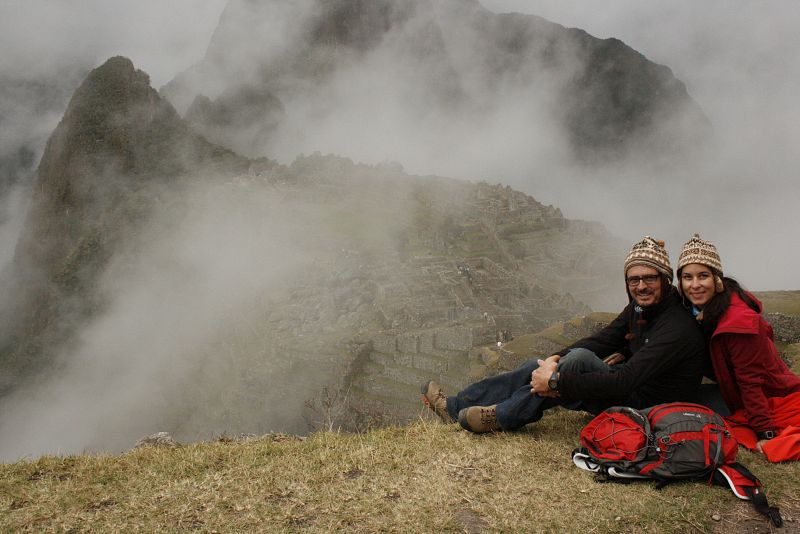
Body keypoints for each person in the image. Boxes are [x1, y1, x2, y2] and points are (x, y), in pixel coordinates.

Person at [421, 236, 706, 433]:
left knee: (576, 361)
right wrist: (553, 360)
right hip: (631, 393)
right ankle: (457, 405)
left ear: (665, 280)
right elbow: (604, 339)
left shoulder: (677, 328)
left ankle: (503, 416)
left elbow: (625, 380)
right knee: (544, 363)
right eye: (634, 279)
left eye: (650, 278)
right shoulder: (640, 308)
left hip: (650, 411)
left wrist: (557, 382)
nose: (641, 286)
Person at [676, 234, 800, 460]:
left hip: (772, 399)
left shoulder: (738, 321)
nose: (694, 285)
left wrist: (765, 432)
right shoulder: (704, 311)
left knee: (682, 412)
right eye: (687, 277)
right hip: (736, 394)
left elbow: (750, 381)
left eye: (703, 276)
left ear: (717, 279)